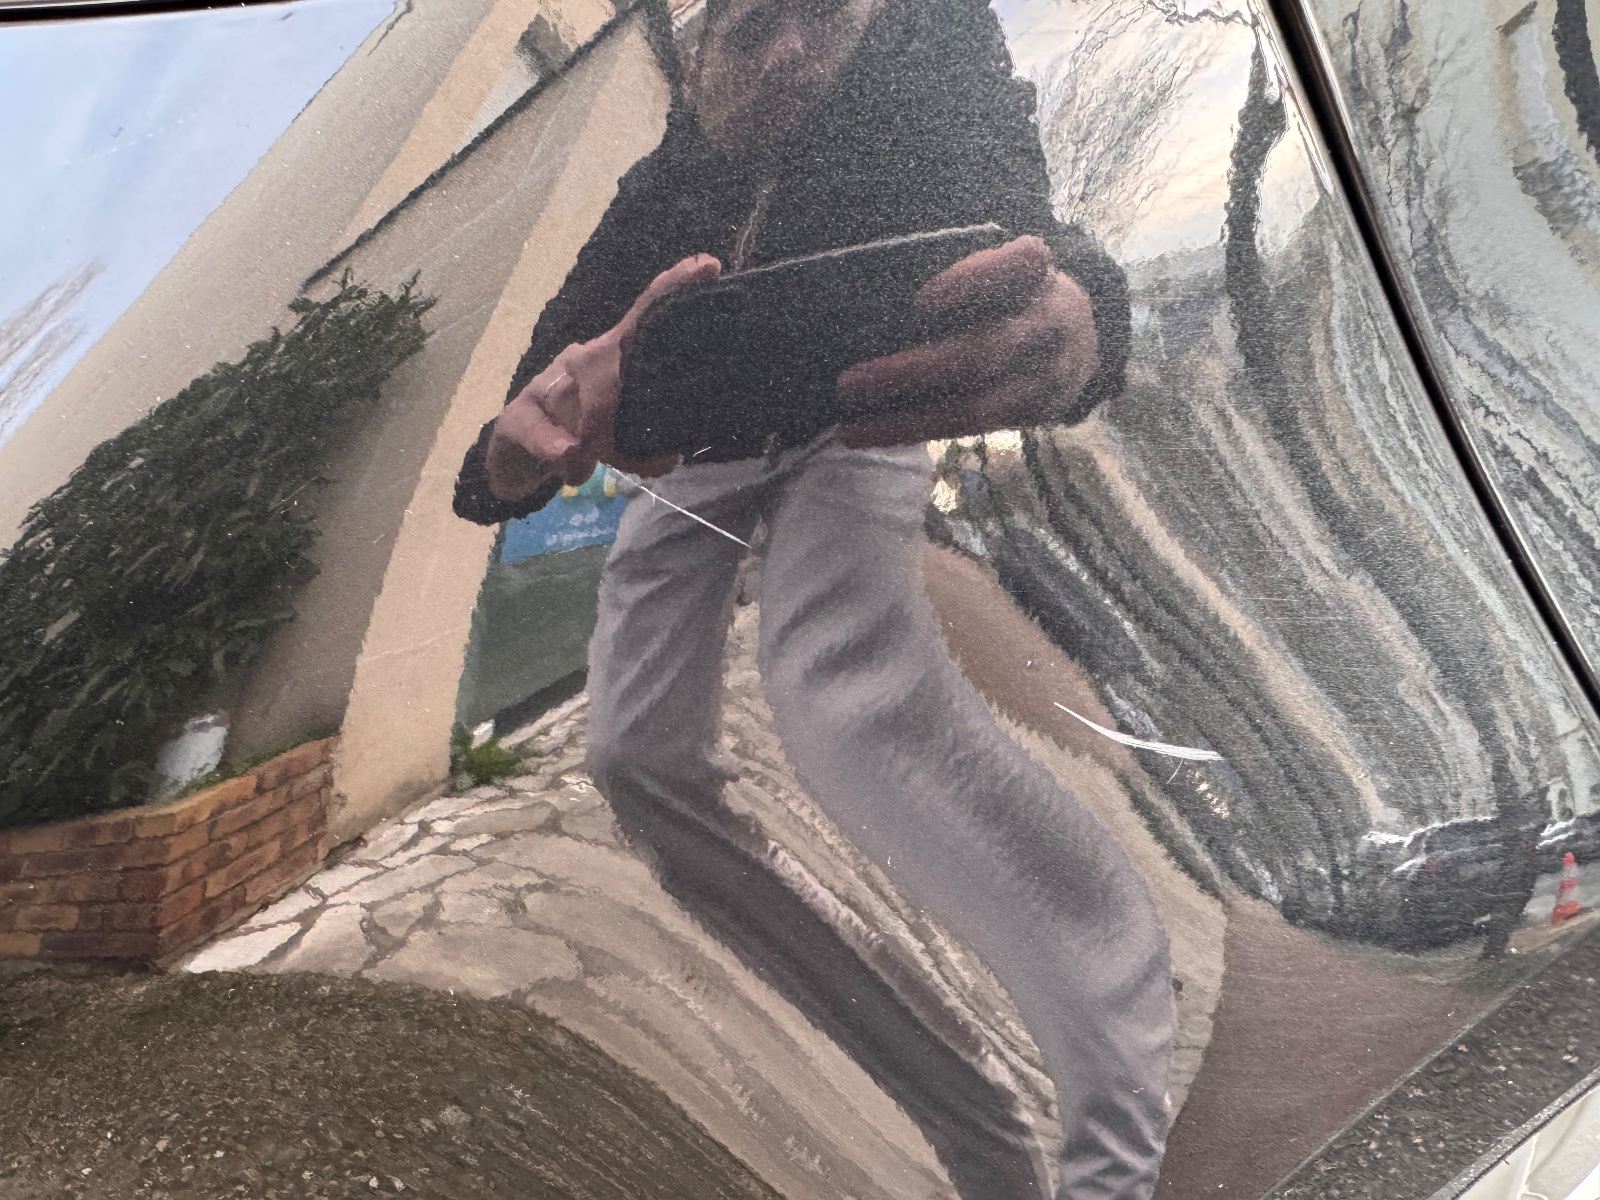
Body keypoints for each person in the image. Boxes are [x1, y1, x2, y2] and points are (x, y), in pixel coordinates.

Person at [454, 0, 1176, 1195]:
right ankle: (975, 1123)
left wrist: (1084, 317)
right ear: (694, 64)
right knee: (632, 755)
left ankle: (1115, 1122)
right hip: (702, 452)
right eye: (750, 31)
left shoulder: (932, 52)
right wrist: (514, 452)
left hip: (862, 414)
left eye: (824, 14)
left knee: (839, 700)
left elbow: (1031, 231)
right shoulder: (657, 188)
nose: (788, 53)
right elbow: (516, 423)